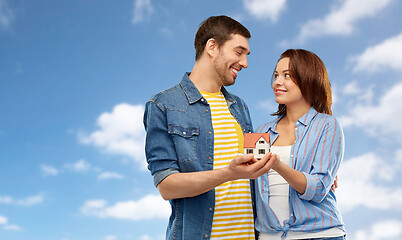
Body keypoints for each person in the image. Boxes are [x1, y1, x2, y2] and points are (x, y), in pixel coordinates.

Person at [143, 15, 277, 240]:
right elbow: (167, 186)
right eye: (239, 52)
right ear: (212, 47)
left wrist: (314, 173)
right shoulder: (162, 105)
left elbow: (257, 164)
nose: (245, 63)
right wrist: (229, 174)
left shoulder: (239, 106)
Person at [253, 49, 346, 240]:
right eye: (276, 75)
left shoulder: (327, 125)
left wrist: (277, 164)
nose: (277, 82)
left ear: (308, 78)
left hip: (320, 234)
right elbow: (249, 182)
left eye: (287, 75)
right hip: (270, 235)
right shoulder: (261, 131)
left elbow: (319, 188)